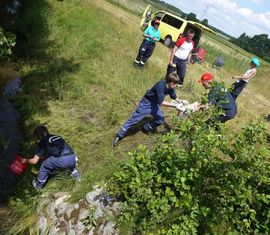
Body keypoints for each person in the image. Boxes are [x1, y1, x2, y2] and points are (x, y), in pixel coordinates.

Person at [113, 73, 180, 146]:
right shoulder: (160, 86)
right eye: (175, 84)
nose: (176, 86)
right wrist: (174, 105)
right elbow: (161, 102)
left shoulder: (171, 87)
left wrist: (180, 101)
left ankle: (146, 128)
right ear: (171, 82)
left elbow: (173, 96)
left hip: (155, 104)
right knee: (133, 120)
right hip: (146, 104)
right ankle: (119, 136)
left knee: (160, 119)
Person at [23, 125, 81, 190]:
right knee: (71, 167)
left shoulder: (43, 142)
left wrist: (25, 160)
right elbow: (53, 152)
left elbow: (34, 161)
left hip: (62, 160)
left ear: (39, 136)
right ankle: (78, 178)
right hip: (72, 157)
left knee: (44, 166)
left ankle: (38, 186)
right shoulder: (56, 137)